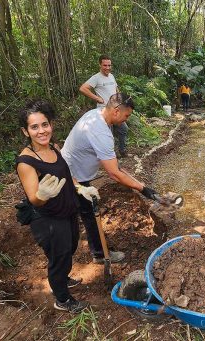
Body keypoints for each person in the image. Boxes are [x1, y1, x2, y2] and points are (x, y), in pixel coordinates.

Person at [61, 93, 165, 264]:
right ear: (116, 111)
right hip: (70, 176)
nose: (126, 120)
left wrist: (140, 183)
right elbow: (114, 173)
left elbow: (116, 166)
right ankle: (99, 254)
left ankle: (95, 248)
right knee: (84, 213)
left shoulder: (96, 115)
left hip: (73, 170)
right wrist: (144, 190)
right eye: (126, 115)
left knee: (87, 211)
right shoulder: (100, 132)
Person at [16, 100, 94, 313]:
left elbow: (66, 175)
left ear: (51, 124)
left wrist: (80, 188)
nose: (41, 131)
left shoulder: (53, 147)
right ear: (26, 131)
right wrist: (42, 194)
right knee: (59, 257)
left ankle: (62, 278)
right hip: (48, 219)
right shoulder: (26, 162)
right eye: (35, 127)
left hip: (67, 210)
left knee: (69, 247)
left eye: (45, 124)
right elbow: (34, 199)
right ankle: (62, 299)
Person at [79, 55, 129, 158]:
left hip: (116, 109)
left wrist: (121, 100)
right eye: (105, 65)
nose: (107, 67)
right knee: (107, 134)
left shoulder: (111, 76)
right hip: (104, 111)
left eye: (109, 65)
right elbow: (83, 88)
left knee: (123, 129)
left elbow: (116, 89)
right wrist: (97, 98)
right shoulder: (96, 78)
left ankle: (122, 150)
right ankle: (110, 156)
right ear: (100, 65)